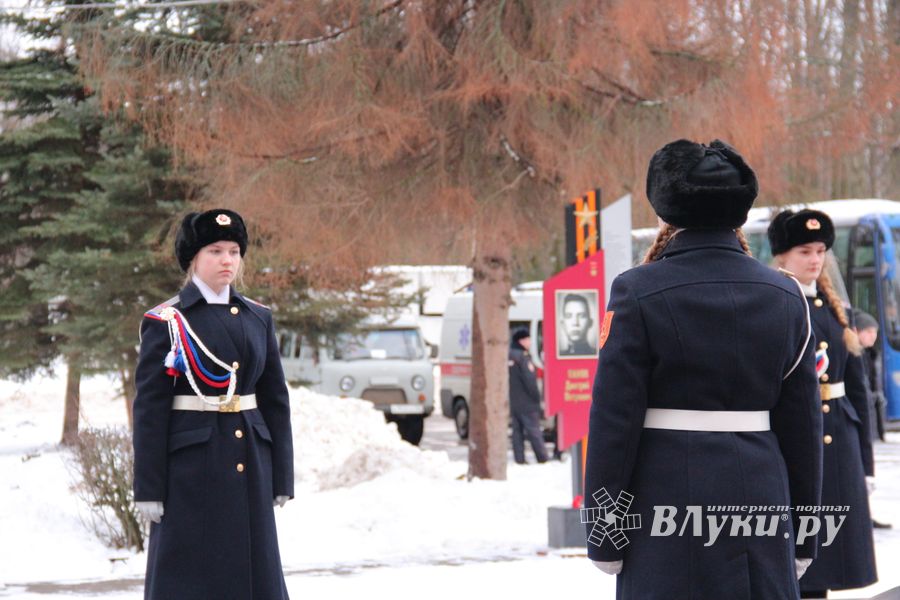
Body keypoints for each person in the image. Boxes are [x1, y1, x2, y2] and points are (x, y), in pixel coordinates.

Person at [585, 139, 823, 599]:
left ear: (666, 214)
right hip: (760, 496)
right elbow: (802, 430)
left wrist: (605, 532)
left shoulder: (636, 291)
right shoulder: (787, 295)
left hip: (664, 499)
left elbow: (615, 421)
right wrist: (806, 533)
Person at [133, 209, 294, 600]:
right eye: (215, 250)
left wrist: (282, 474)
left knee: (255, 576)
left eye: (234, 251)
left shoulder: (258, 317)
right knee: (191, 577)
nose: (227, 260)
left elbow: (275, 400)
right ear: (194, 258)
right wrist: (148, 486)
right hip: (191, 470)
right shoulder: (168, 321)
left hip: (250, 462)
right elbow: (150, 411)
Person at [768, 209, 877, 598]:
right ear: (781, 256)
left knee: (829, 561)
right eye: (804, 251)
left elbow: (858, 390)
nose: (815, 259)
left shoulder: (835, 311)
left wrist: (865, 462)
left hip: (838, 443)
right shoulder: (771, 304)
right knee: (795, 560)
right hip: (793, 443)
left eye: (819, 251)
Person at [851, 309, 891, 529]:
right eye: (869, 332)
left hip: (868, 419)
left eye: (875, 332)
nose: (873, 336)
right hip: (856, 421)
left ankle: (866, 513)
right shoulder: (854, 354)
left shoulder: (869, 354)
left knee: (865, 470)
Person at [509, 329, 549, 464]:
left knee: (517, 431)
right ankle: (542, 458)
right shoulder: (523, 357)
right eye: (528, 339)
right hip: (527, 402)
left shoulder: (509, 355)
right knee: (534, 431)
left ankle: (519, 459)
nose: (530, 342)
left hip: (514, 401)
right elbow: (529, 380)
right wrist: (537, 398)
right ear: (521, 341)